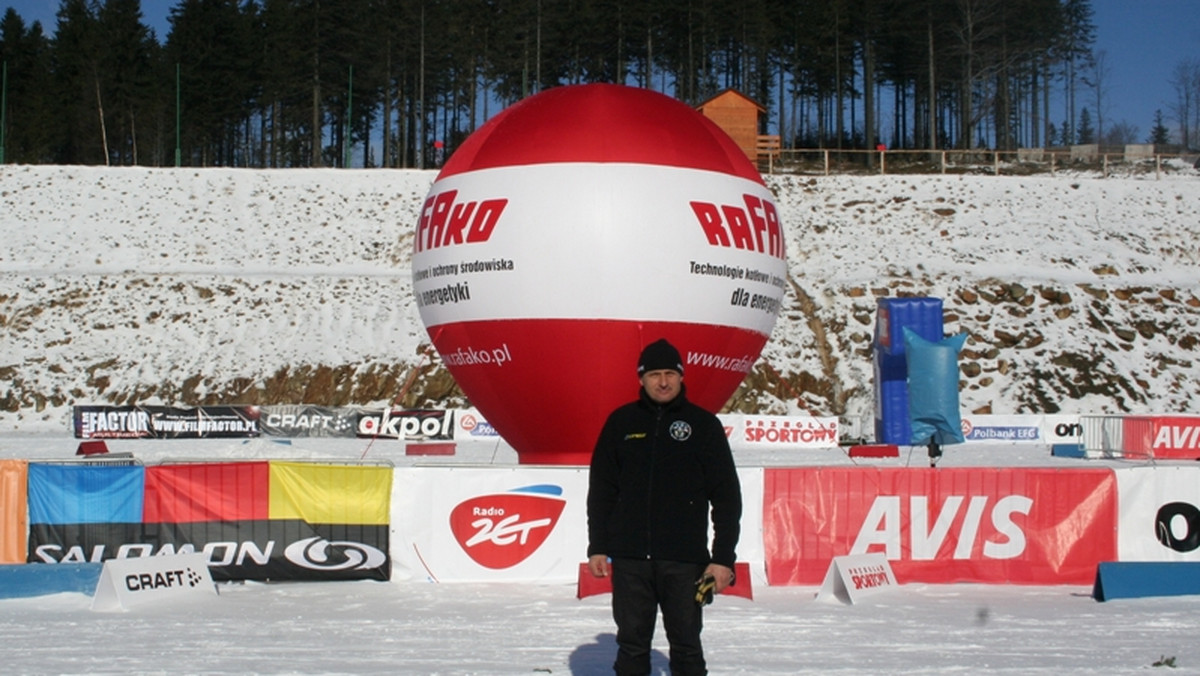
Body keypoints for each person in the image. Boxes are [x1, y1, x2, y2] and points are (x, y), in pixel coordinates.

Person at [586, 338, 742, 676]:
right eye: (654, 374)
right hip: (630, 561)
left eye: (670, 373)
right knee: (631, 646)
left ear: (682, 376)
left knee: (686, 647)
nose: (663, 382)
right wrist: (598, 546)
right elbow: (601, 492)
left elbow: (727, 498)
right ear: (641, 378)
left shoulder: (704, 426)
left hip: (684, 563)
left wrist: (722, 558)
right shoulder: (621, 423)